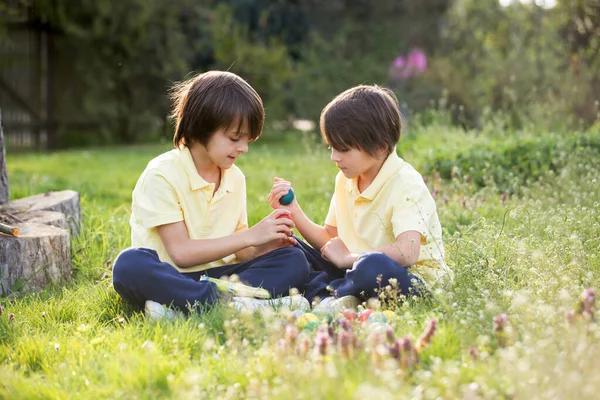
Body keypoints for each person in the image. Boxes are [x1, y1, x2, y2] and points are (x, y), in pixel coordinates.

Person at [112, 71, 310, 319]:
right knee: (129, 266)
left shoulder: (234, 178)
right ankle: (235, 303)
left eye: (247, 140)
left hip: (220, 279)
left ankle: (188, 306)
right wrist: (251, 235)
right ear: (201, 128)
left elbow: (240, 252)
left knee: (293, 259)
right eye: (235, 138)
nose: (244, 148)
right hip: (171, 275)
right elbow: (181, 254)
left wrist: (266, 243)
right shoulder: (161, 175)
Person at [269, 85, 452, 316]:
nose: (334, 157)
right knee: (292, 248)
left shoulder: (405, 182)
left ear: (380, 146)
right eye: (331, 147)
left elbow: (408, 252)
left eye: (343, 149)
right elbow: (330, 243)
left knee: (371, 266)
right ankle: (333, 298)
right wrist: (294, 211)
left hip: (408, 281)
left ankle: (322, 296)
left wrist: (348, 258)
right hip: (352, 269)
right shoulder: (346, 179)